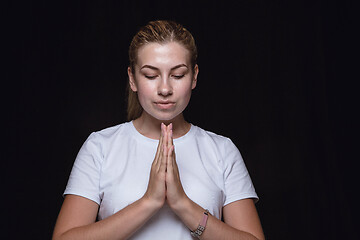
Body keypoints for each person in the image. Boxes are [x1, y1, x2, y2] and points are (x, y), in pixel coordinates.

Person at [52, 20, 265, 240]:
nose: (165, 89)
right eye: (151, 75)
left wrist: (182, 204)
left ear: (194, 76)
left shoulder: (222, 150)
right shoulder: (100, 147)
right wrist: (149, 202)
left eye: (178, 75)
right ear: (132, 79)